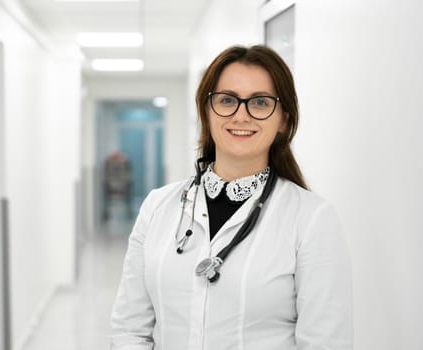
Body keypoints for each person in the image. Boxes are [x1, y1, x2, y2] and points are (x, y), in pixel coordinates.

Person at [110, 45, 353, 350]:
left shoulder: (312, 219)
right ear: (206, 112)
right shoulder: (158, 206)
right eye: (226, 100)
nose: (241, 115)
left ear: (284, 121)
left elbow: (325, 342)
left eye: (260, 103)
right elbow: (129, 329)